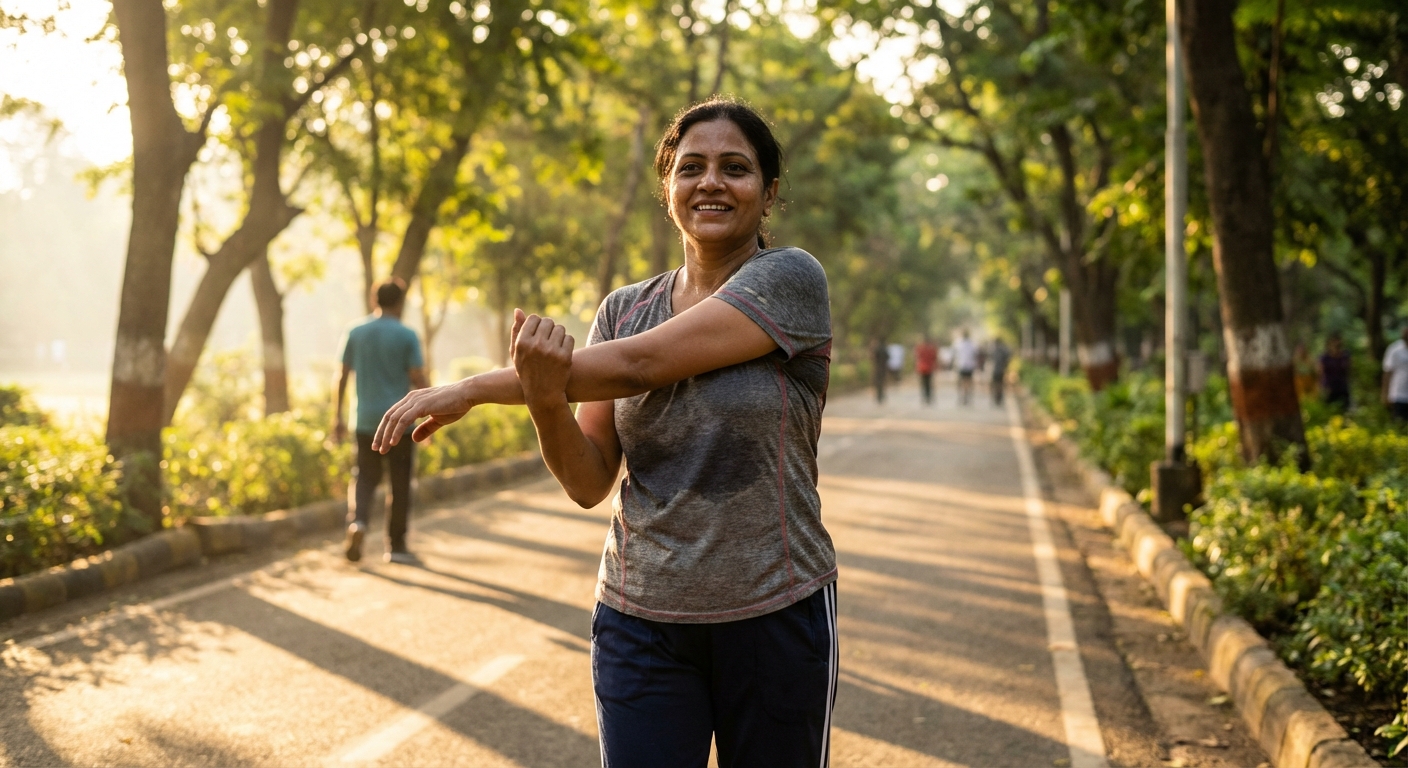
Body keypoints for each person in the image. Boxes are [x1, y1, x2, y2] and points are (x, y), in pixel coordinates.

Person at [370, 98, 838, 767]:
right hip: (639, 620)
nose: (710, 182)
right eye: (691, 167)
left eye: (735, 168)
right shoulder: (623, 309)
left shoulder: (790, 279)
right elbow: (589, 480)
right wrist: (542, 398)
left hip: (773, 611)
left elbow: (638, 364)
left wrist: (472, 387)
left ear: (768, 195)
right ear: (668, 188)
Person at [335, 280, 430, 564]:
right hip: (400, 421)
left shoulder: (356, 331)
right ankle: (396, 546)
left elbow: (341, 376)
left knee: (364, 476)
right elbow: (417, 377)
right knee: (400, 484)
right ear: (400, 303)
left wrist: (336, 417)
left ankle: (359, 522)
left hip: (364, 420)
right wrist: (431, 416)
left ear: (374, 299)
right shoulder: (406, 335)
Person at [1319, 333, 1352, 410]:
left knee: (1344, 409)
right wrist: (1322, 388)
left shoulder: (1345, 356)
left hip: (1343, 387)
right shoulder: (1324, 358)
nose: (1336, 344)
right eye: (1334, 342)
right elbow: (1320, 373)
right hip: (1329, 388)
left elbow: (1350, 370)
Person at [1385, 326, 1408, 422]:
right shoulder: (1394, 349)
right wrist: (1385, 393)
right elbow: (1387, 372)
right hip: (1398, 394)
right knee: (1399, 423)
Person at [954, 329, 978, 406]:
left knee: (961, 382)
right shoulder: (972, 344)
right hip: (969, 366)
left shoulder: (958, 343)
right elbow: (975, 354)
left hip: (961, 365)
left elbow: (955, 353)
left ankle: (963, 396)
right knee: (968, 381)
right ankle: (966, 395)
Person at [914, 335, 938, 405]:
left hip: (922, 368)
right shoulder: (932, 349)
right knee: (929, 383)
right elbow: (934, 358)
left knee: (923, 383)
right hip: (929, 368)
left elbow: (917, 357)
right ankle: (928, 398)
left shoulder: (920, 348)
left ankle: (924, 397)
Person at [990, 337, 1012, 406]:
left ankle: (997, 396)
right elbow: (1009, 356)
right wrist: (1006, 365)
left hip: (996, 369)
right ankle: (999, 396)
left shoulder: (994, 350)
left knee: (996, 384)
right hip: (1001, 369)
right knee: (1000, 383)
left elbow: (990, 360)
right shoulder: (1004, 350)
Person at [872, 338, 889, 404]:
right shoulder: (885, 349)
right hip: (883, 367)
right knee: (883, 381)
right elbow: (888, 357)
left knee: (878, 382)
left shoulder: (877, 349)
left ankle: (879, 395)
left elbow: (874, 357)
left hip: (878, 367)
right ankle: (881, 394)